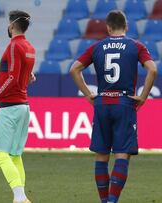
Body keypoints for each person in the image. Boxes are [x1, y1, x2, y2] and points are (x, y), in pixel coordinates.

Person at [70, 10, 157, 203]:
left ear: (108, 27)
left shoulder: (97, 47)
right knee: (122, 155)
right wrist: (142, 97)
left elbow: (74, 69)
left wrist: (87, 94)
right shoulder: (136, 45)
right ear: (126, 27)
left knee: (101, 156)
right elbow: (152, 69)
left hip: (102, 103)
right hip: (124, 103)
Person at [0, 10, 35, 203]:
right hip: (23, 107)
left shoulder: (13, 46)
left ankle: (19, 197)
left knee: (0, 153)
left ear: (11, 26)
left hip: (10, 107)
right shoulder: (29, 47)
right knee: (15, 155)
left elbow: (11, 78)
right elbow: (24, 77)